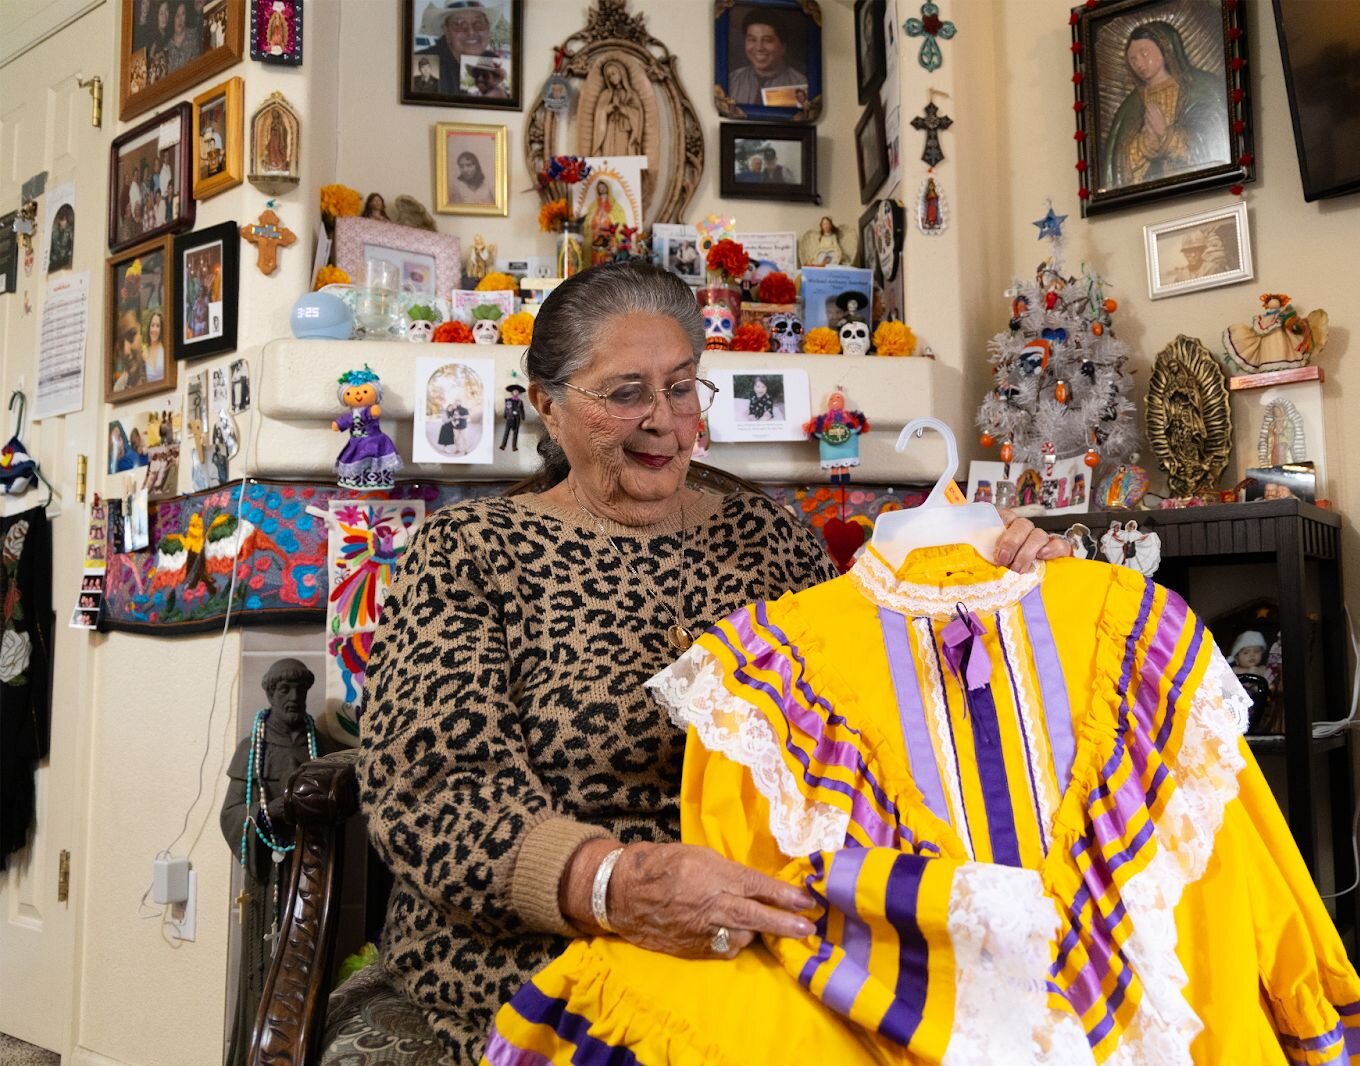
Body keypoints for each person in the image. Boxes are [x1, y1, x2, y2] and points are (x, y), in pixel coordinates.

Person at [355, 261, 1067, 1063]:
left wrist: (1002, 594)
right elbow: (436, 791)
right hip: (557, 935)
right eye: (626, 393)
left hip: (785, 922)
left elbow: (879, 717)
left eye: (683, 387)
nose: (665, 421)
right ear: (547, 407)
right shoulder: (470, 553)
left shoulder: (770, 536)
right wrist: (615, 884)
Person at [219, 659, 342, 1066]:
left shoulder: (318, 744)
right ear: (270, 694)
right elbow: (232, 813)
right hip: (268, 876)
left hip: (312, 872)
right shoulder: (253, 746)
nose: (293, 698)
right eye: (284, 690)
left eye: (299, 690)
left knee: (311, 969)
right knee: (263, 966)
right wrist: (269, 811)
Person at [1101, 20, 1226, 190]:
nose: (1139, 63)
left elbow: (1212, 138)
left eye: (1144, 54)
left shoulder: (1201, 87)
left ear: (1165, 50)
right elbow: (1117, 162)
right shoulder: (1130, 106)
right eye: (1133, 59)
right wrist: (1143, 143)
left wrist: (1166, 135)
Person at [1220, 292, 1330, 376]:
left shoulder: (1285, 314)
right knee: (1270, 344)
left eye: (1275, 301)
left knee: (1281, 343)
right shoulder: (1264, 318)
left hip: (1284, 347)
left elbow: (1295, 327)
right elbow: (1260, 330)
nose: (1273, 303)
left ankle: (1283, 360)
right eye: (1271, 301)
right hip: (1267, 350)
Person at [416, 0, 505, 97]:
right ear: (446, 31)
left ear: (488, 29)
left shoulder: (494, 62)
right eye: (459, 24)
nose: (471, 32)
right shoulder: (425, 61)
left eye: (478, 23)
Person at [728, 9, 806, 106]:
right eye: (752, 40)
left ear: (783, 47)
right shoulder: (731, 81)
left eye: (767, 40)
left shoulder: (802, 85)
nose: (759, 47)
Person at [592, 59, 646, 156]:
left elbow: (637, 114)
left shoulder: (631, 94)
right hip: (609, 128)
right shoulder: (606, 94)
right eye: (609, 77)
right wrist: (607, 109)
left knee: (622, 154)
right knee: (608, 155)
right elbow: (599, 113)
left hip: (623, 131)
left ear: (621, 73)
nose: (612, 78)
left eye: (614, 73)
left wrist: (622, 108)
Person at [113, 310, 147, 394]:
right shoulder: (118, 389)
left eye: (131, 335)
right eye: (121, 343)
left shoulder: (158, 375)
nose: (125, 351)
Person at [142, 310, 166, 383]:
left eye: (158, 326)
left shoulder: (166, 349)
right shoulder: (144, 352)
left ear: (161, 329)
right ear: (149, 327)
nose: (154, 329)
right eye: (152, 325)